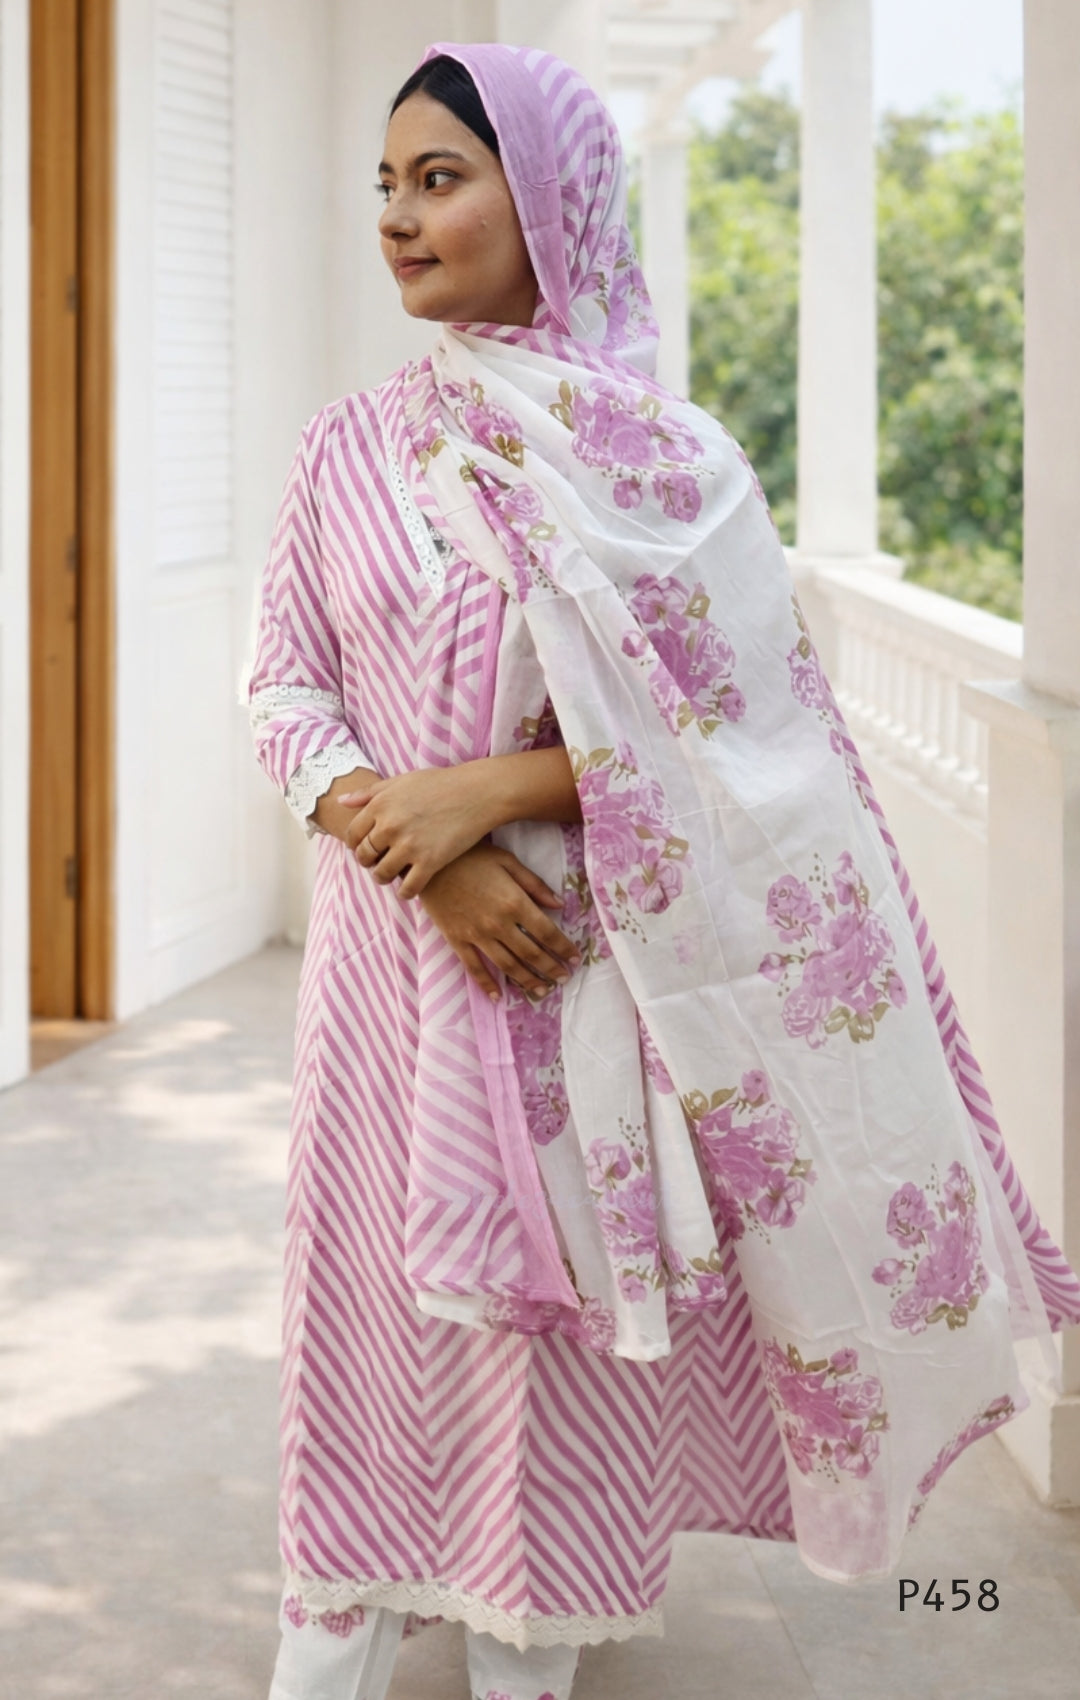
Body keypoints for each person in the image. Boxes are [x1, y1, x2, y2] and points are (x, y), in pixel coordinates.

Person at [248, 41, 1080, 1700]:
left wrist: (492, 793)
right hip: (386, 985)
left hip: (584, 979)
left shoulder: (668, 465)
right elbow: (283, 685)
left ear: (550, 200)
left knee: (557, 1361)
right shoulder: (347, 450)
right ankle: (337, 1619)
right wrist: (417, 852)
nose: (401, 220)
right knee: (367, 1326)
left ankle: (530, 1647)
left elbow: (749, 723)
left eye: (441, 179)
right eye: (388, 185)